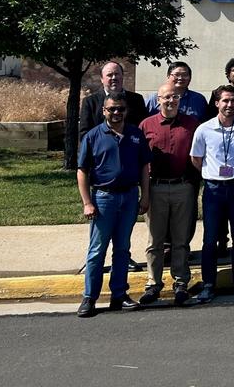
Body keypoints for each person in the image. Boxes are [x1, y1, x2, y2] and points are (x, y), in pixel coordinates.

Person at [76, 91, 151, 317]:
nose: (116, 113)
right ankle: (89, 297)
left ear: (126, 111)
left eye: (120, 109)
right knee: (97, 250)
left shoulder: (135, 135)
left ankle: (119, 295)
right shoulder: (92, 136)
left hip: (128, 197)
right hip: (103, 199)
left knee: (122, 249)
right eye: (112, 109)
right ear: (104, 111)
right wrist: (87, 202)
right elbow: (82, 171)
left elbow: (144, 168)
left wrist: (144, 196)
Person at [190, 85, 234, 303]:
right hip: (214, 189)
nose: (229, 105)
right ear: (217, 103)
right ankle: (209, 285)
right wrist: (210, 174)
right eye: (225, 101)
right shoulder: (204, 129)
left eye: (233, 101)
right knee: (210, 239)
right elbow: (196, 158)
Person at [138, 83, 200, 307]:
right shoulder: (146, 125)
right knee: (155, 240)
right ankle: (153, 283)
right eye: (166, 97)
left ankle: (181, 282)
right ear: (158, 101)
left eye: (174, 97)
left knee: (181, 240)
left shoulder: (192, 125)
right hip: (155, 188)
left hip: (184, 187)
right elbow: (141, 161)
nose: (171, 101)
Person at [77, 61, 147, 166]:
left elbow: (143, 128)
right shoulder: (90, 102)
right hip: (102, 157)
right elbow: (84, 133)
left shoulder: (136, 99)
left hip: (131, 156)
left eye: (117, 74)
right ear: (102, 79)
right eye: (109, 75)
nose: (114, 77)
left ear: (122, 76)